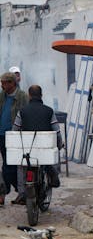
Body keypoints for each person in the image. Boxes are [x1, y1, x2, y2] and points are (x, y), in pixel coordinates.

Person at [11, 85, 63, 205]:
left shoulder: (22, 112)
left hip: (27, 151)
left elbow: (15, 130)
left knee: (21, 166)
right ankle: (54, 176)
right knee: (51, 158)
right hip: (44, 150)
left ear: (29, 95)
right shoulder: (49, 111)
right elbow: (57, 131)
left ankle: (22, 192)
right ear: (41, 95)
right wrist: (60, 144)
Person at [0, 72, 28, 206]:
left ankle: (21, 191)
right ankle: (15, 192)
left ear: (12, 83)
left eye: (4, 83)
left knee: (10, 167)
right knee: (6, 166)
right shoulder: (1, 96)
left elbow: (26, 115)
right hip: (1, 136)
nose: (2, 85)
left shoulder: (22, 96)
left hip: (15, 136)